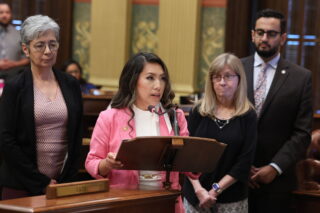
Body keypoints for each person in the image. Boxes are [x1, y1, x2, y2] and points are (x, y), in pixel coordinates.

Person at [85, 52, 189, 213]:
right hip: (124, 203)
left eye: (162, 78)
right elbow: (91, 162)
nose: (158, 85)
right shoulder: (110, 117)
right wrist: (107, 163)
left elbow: (188, 165)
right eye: (150, 78)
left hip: (166, 202)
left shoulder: (174, 116)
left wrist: (198, 157)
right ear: (133, 81)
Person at [0, 15, 83, 200]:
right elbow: (6, 140)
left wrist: (66, 179)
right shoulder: (15, 87)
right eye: (40, 45)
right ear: (25, 49)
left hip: (62, 183)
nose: (48, 51)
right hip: (21, 184)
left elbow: (77, 135)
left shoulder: (70, 84)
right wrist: (40, 182)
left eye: (52, 44)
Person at [242, 9, 312, 213]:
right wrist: (239, 166)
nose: (265, 38)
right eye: (260, 32)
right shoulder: (234, 70)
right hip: (233, 179)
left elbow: (302, 133)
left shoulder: (301, 78)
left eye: (271, 34)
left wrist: (275, 167)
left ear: (282, 38)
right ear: (252, 34)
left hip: (277, 185)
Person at [182, 53, 257, 213]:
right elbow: (186, 156)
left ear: (239, 79)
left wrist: (215, 190)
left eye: (228, 76)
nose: (222, 82)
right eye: (217, 77)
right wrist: (199, 190)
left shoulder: (248, 115)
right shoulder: (198, 111)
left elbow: (244, 162)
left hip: (231, 198)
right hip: (196, 196)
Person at [0, 2, 29, 79]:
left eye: (7, 12)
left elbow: (27, 58)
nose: (4, 15)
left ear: (11, 14)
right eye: (1, 12)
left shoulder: (19, 34)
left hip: (14, 75)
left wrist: (13, 64)